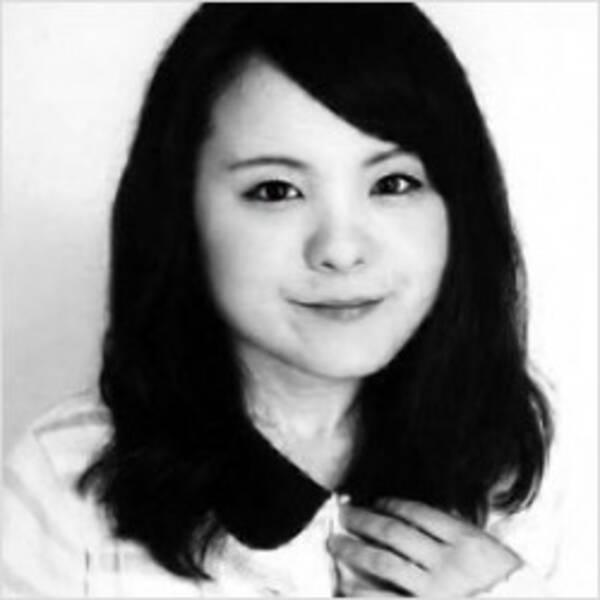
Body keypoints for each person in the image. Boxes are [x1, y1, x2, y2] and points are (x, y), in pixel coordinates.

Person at [2, 3, 560, 597]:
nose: (341, 250)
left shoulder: (508, 436)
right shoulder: (64, 476)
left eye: (392, 183)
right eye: (276, 190)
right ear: (180, 212)